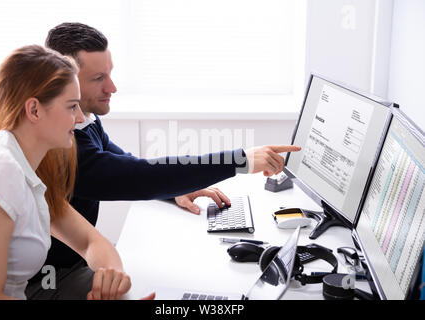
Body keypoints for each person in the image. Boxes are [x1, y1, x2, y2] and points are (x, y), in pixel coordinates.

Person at [25, 22, 301, 299]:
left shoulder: (85, 123)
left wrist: (176, 191)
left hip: (72, 266)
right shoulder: (61, 145)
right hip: (49, 281)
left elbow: (128, 165)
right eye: (98, 78)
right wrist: (240, 160)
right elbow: (137, 177)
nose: (113, 87)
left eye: (110, 73)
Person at [0, 45, 152, 300]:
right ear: (34, 110)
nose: (80, 118)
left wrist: (111, 278)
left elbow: (90, 241)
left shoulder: (25, 173)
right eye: (72, 107)